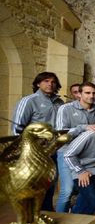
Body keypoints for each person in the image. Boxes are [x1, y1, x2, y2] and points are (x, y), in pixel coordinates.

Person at [11, 71, 64, 211]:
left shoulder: (60, 102)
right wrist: (26, 150)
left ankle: (46, 211)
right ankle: (30, 215)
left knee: (50, 182)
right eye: (46, 81)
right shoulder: (29, 101)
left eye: (53, 82)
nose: (50, 84)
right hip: (35, 152)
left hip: (54, 150)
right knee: (34, 185)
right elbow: (17, 128)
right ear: (38, 83)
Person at [55, 82, 95, 213]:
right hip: (67, 153)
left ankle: (75, 216)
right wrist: (82, 127)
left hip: (87, 155)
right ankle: (60, 222)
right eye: (87, 93)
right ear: (79, 94)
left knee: (85, 187)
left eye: (94, 93)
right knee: (67, 190)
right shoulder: (65, 109)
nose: (91, 96)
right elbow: (60, 133)